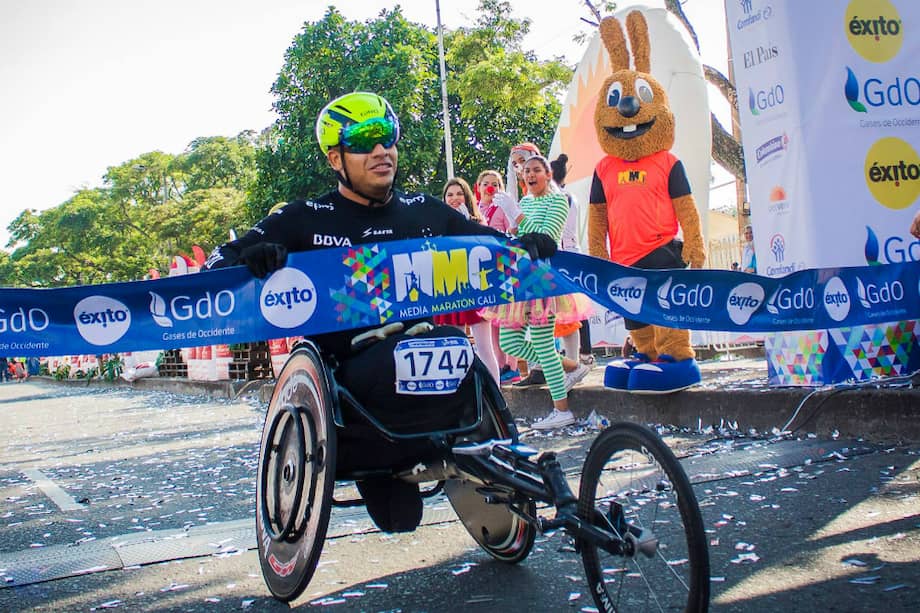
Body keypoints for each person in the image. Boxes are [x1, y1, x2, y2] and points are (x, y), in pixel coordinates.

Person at [205, 91, 557, 532]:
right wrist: (252, 258)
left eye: (388, 137)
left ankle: (452, 454)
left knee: (454, 351)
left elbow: (487, 242)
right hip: (352, 382)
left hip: (434, 357)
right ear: (336, 158)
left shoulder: (425, 212)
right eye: (365, 140)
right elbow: (216, 265)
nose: (381, 150)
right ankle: (385, 469)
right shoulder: (303, 219)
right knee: (399, 516)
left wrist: (528, 246)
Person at [490, 155, 592, 430]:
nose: (530, 174)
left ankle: (562, 410)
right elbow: (522, 237)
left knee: (543, 344)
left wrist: (517, 216)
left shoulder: (559, 200)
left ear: (548, 174)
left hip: (543, 280)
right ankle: (572, 366)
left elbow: (546, 240)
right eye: (526, 171)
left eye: (536, 170)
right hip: (521, 279)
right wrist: (513, 225)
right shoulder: (525, 201)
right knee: (510, 343)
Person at [433, 177, 500, 384]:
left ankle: (497, 398)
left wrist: (466, 223)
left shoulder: (478, 222)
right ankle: (459, 397)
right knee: (454, 347)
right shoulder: (437, 224)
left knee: (484, 347)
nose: (454, 198)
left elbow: (487, 247)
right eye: (450, 195)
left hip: (475, 288)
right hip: (449, 289)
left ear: (467, 196)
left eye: (459, 194)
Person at [550, 153, 596, 381]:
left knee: (574, 309)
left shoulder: (561, 197)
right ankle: (582, 354)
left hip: (565, 255)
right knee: (576, 308)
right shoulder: (569, 196)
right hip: (571, 253)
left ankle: (582, 354)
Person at [476, 169, 519, 383]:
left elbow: (511, 232)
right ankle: (498, 364)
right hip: (483, 271)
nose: (490, 187)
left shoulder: (502, 208)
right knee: (490, 320)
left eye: (495, 183)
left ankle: (512, 365)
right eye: (486, 183)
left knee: (507, 319)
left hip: (503, 268)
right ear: (478, 186)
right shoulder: (475, 209)